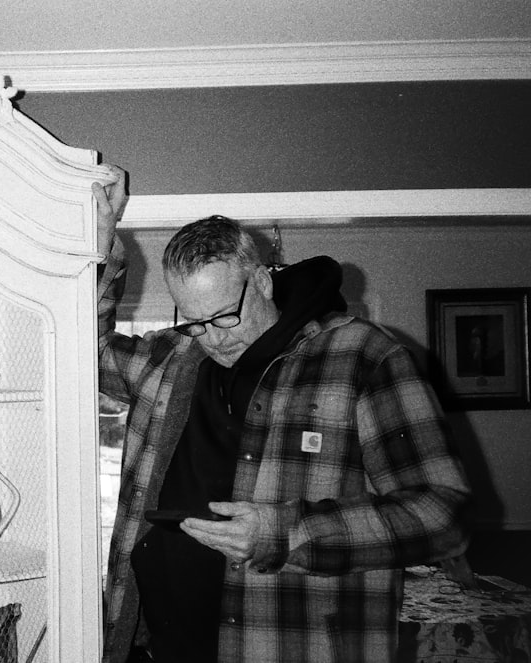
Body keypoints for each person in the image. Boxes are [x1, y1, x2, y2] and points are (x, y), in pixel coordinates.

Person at [92, 165, 472, 663]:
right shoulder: (173, 356)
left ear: (263, 282)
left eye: (226, 315)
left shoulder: (364, 356)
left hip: (293, 646)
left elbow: (443, 514)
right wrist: (96, 247)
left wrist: (287, 533)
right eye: (195, 322)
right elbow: (86, 351)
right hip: (163, 645)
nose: (214, 338)